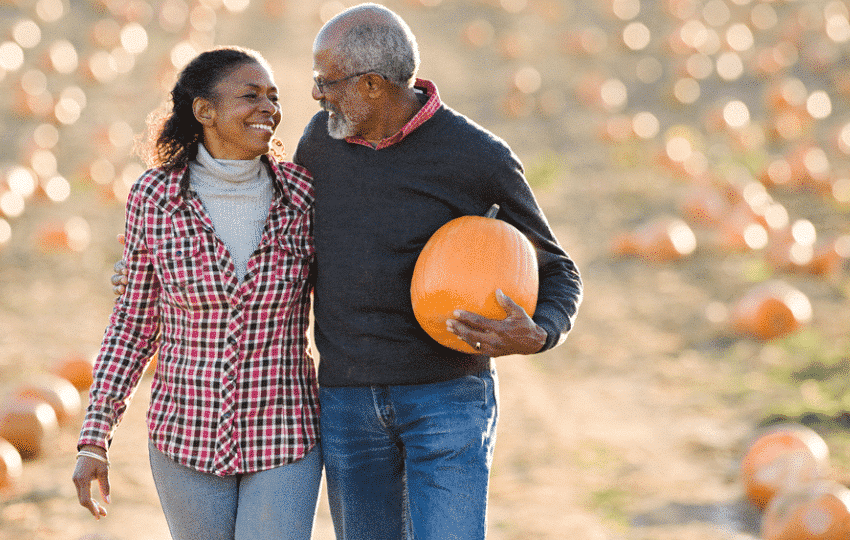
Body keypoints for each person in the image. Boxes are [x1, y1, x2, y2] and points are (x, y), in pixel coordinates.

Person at [295, 4, 582, 539]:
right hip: (348, 400)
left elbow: (558, 268)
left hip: (447, 398)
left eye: (325, 81)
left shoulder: (476, 156)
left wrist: (541, 331)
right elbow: (282, 239)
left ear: (374, 85)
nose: (316, 94)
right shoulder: (319, 144)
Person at [71, 46, 323, 540]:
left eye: (273, 97)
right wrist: (94, 438)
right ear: (204, 111)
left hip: (285, 431)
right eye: (250, 95)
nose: (268, 108)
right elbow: (133, 326)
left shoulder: (303, 194)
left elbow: (350, 280)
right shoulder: (154, 198)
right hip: (185, 435)